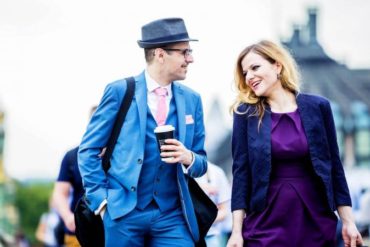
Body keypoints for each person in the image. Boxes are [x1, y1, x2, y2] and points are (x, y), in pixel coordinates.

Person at [78, 18, 207, 247]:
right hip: (122, 212)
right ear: (160, 54)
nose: (191, 59)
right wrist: (102, 201)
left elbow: (202, 162)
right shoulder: (120, 91)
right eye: (184, 52)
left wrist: (189, 158)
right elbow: (88, 150)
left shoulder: (192, 100)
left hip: (172, 216)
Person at [226, 40, 363, 247]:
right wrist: (236, 232)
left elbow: (334, 167)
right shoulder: (245, 114)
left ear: (277, 66)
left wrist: (348, 221)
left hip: (315, 219)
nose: (249, 77)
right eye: (245, 73)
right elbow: (241, 174)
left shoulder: (319, 107)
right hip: (264, 222)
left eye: (255, 67)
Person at [52, 106, 97, 247]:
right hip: (78, 231)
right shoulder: (72, 156)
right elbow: (59, 193)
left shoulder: (121, 155)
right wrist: (68, 217)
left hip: (113, 231)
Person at [195, 162, 231, 247]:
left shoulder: (216, 172)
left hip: (210, 236)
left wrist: (201, 221)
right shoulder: (176, 170)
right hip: (184, 236)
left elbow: (224, 211)